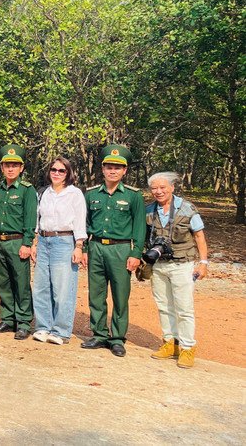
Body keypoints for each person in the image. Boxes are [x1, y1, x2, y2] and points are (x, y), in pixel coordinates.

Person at [81, 144, 146, 358]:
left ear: (124, 171)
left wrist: (136, 253)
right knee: (96, 295)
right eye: (109, 167)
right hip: (96, 247)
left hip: (120, 249)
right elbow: (85, 223)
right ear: (102, 168)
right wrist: (84, 248)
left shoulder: (133, 196)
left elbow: (139, 227)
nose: (113, 171)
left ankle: (117, 338)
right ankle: (99, 334)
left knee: (120, 296)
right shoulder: (91, 194)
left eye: (117, 168)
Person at [145, 172, 209, 369]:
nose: (158, 191)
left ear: (172, 188)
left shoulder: (187, 209)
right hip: (159, 265)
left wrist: (203, 262)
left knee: (184, 308)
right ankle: (169, 343)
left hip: (182, 264)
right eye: (154, 188)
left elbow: (199, 236)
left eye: (163, 187)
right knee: (163, 306)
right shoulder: (149, 211)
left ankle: (187, 348)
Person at [31, 157, 86, 345]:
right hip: (44, 240)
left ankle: (61, 331)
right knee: (41, 287)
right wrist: (34, 243)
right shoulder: (43, 193)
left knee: (63, 288)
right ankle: (43, 327)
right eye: (53, 169)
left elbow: (80, 221)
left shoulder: (74, 194)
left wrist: (79, 246)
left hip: (64, 241)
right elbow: (38, 220)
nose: (56, 173)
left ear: (68, 173)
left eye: (61, 170)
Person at [0, 145, 37, 340]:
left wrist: (27, 243)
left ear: (21, 168)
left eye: (15, 165)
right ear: (2, 167)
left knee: (21, 283)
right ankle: (8, 319)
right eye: (7, 165)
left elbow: (30, 218)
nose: (11, 169)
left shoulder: (27, 190)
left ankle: (24, 322)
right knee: (4, 282)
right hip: (0, 241)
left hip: (18, 242)